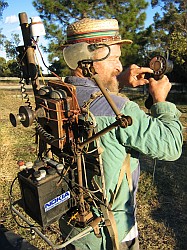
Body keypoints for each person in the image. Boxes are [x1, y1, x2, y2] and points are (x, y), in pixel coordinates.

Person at [59, 18, 183, 250]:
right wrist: (160, 101)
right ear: (89, 60)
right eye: (115, 59)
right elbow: (173, 146)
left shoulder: (59, 95)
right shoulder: (121, 111)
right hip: (110, 232)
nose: (119, 66)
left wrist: (119, 82)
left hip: (73, 223)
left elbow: (94, 97)